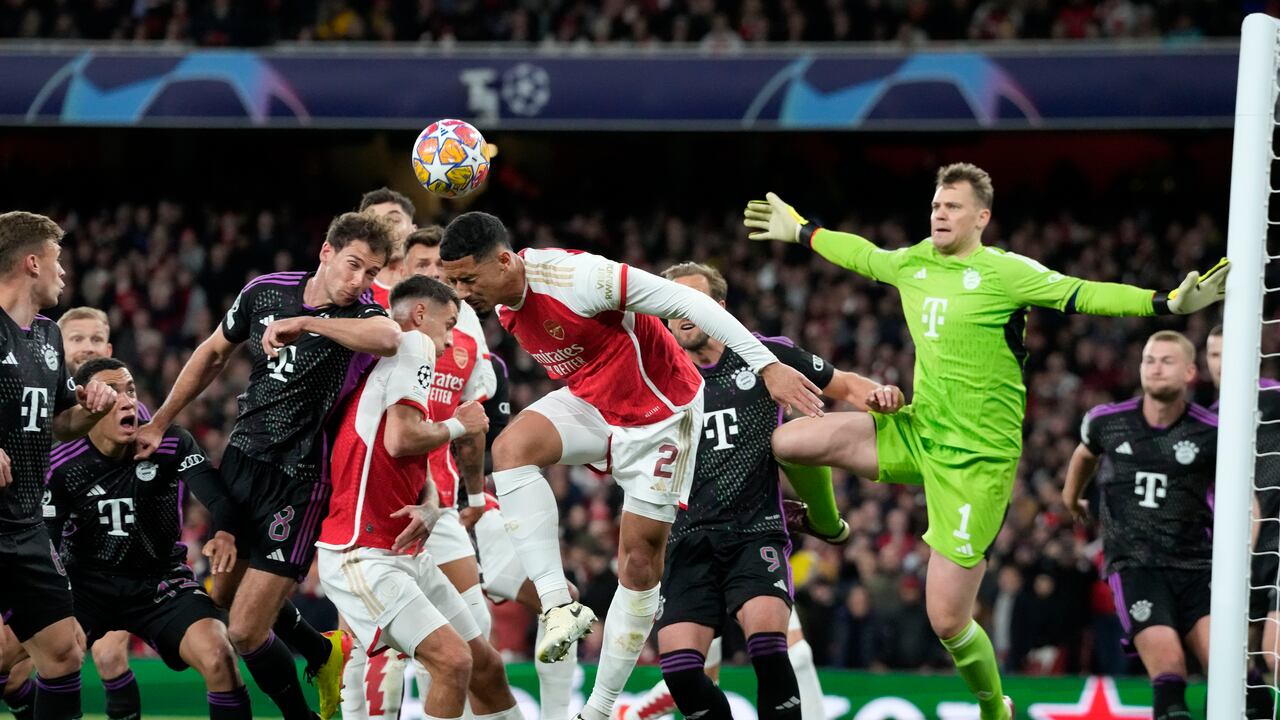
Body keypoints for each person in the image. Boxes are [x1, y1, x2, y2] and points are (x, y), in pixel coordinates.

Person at [742, 163, 1229, 720]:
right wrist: (804, 230)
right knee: (789, 441)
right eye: (935, 205)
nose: (939, 214)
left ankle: (994, 705)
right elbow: (863, 254)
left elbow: (1083, 293)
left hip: (980, 461)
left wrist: (1164, 303)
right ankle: (828, 525)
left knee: (947, 619)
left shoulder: (1006, 272)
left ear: (981, 217)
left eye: (951, 207)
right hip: (920, 430)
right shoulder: (914, 262)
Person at [439, 211, 823, 720]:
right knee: (510, 450)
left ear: (506, 260)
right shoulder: (502, 301)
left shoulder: (577, 278)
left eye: (469, 279)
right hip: (595, 402)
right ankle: (558, 607)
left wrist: (767, 364)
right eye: (454, 282)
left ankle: (598, 709)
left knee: (639, 563)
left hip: (662, 415)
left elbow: (688, 300)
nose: (463, 292)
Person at [134, 211, 402, 720]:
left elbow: (389, 339)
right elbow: (213, 352)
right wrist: (161, 420)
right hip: (241, 462)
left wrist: (307, 322)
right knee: (224, 595)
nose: (359, 281)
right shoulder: (264, 292)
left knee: (243, 630)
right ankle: (322, 652)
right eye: (352, 266)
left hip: (298, 481)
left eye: (370, 273)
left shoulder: (362, 317)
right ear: (325, 251)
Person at [620, 262, 901, 720]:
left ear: (720, 308)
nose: (683, 314)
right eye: (673, 306)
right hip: (685, 539)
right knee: (682, 674)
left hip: (755, 533)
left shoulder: (765, 357)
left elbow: (847, 385)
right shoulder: (652, 376)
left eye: (696, 302)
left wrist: (884, 395)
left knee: (770, 650)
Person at [317, 275, 523, 720]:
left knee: (484, 663)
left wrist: (431, 503)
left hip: (406, 550)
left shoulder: (396, 363)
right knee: (454, 662)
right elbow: (401, 439)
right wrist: (461, 426)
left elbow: (408, 454)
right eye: (448, 325)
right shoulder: (415, 346)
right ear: (420, 315)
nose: (450, 342)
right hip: (363, 554)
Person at [44, 357, 251, 719]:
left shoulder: (169, 442)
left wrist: (224, 532)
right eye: (112, 393)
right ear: (87, 406)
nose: (127, 401)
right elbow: (47, 541)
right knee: (25, 652)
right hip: (88, 586)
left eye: (131, 390)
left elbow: (219, 499)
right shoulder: (62, 464)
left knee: (220, 656)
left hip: (161, 582)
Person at [0, 211, 118, 720]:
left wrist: (89, 407)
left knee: (65, 652)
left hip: (24, 523)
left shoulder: (48, 338)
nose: (63, 273)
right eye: (57, 261)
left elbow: (57, 424)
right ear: (32, 263)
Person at [1062, 331, 1216, 720]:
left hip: (1199, 568)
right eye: (1149, 360)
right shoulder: (1108, 422)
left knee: (1232, 672)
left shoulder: (1212, 431)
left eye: (1167, 360)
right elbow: (1084, 455)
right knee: (1170, 672)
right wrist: (1071, 496)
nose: (1156, 367)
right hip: (1136, 568)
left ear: (1190, 372)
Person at [54, 306, 144, 720]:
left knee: (109, 655)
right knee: (18, 660)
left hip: (110, 553)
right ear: (58, 347)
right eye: (76, 338)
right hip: (43, 544)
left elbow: (155, 476)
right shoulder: (42, 400)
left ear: (108, 348)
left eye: (95, 339)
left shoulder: (131, 412)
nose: (87, 347)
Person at [1205, 325, 1278, 717]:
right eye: (1214, 355)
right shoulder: (1209, 418)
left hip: (1276, 540)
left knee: (1272, 653)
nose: (1221, 363)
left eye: (1228, 353)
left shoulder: (1271, 397)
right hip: (1242, 554)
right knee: (1239, 659)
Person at [359, 188, 417, 308]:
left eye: (394, 220)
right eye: (374, 223)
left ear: (413, 230)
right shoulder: (353, 287)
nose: (385, 228)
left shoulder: (438, 277)